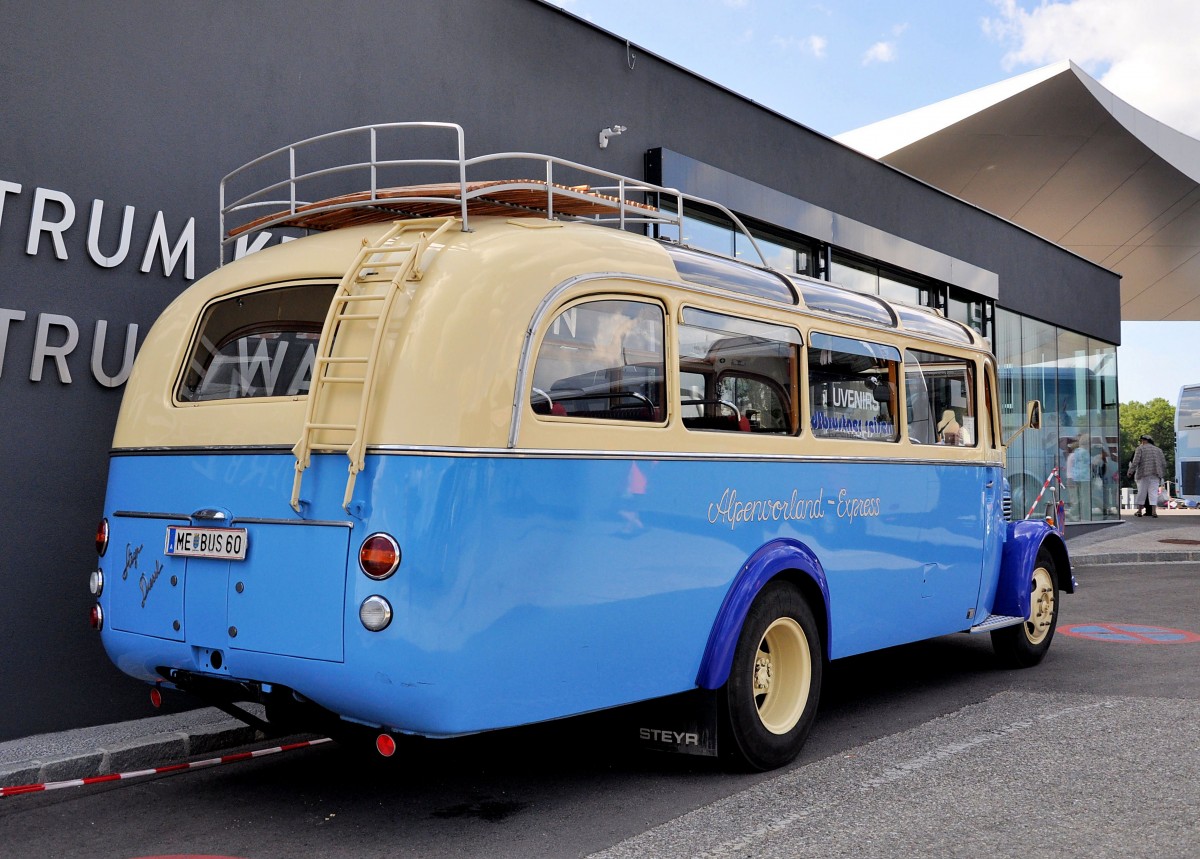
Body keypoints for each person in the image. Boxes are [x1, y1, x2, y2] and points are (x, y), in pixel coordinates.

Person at [1127, 434, 1167, 518]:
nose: (1141, 442)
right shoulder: (1158, 450)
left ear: (1144, 440)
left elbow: (1135, 461)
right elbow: (1163, 463)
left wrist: (1130, 471)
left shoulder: (1140, 449)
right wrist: (1162, 474)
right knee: (1153, 493)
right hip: (1156, 474)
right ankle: (1154, 512)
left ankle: (1139, 511)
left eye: (1141, 441)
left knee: (1142, 492)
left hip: (1143, 474)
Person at [1066, 434, 1092, 519]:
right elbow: (1089, 463)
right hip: (1083, 478)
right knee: (1084, 499)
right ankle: (1083, 516)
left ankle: (1076, 514)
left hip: (1075, 477)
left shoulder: (1074, 454)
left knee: (1076, 499)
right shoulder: (1084, 453)